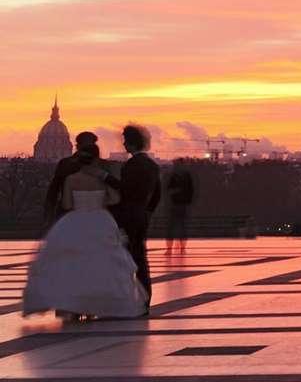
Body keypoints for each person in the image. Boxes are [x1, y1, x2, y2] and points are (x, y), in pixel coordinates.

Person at [23, 135, 147, 319]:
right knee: (101, 264)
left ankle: (73, 306)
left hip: (75, 220)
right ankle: (95, 305)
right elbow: (115, 198)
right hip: (100, 220)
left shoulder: (70, 176)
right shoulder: (102, 175)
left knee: (72, 265)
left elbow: (66, 202)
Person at [112, 124, 162, 311]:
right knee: (140, 258)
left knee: (126, 259)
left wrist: (106, 179)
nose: (124, 144)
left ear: (132, 143)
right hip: (142, 214)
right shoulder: (152, 165)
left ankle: (129, 299)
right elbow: (157, 194)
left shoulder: (131, 165)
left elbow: (124, 191)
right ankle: (144, 299)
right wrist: (148, 211)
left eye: (126, 141)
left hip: (129, 215)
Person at [42, 130, 99, 226]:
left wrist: (48, 216)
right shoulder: (100, 165)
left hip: (67, 214)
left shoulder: (65, 163)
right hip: (90, 216)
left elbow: (53, 192)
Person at [165, 159, 195, 256]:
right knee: (181, 227)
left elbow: (169, 190)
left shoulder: (175, 176)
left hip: (177, 204)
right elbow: (191, 191)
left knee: (173, 227)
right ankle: (181, 248)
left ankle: (170, 248)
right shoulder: (187, 177)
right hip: (182, 205)